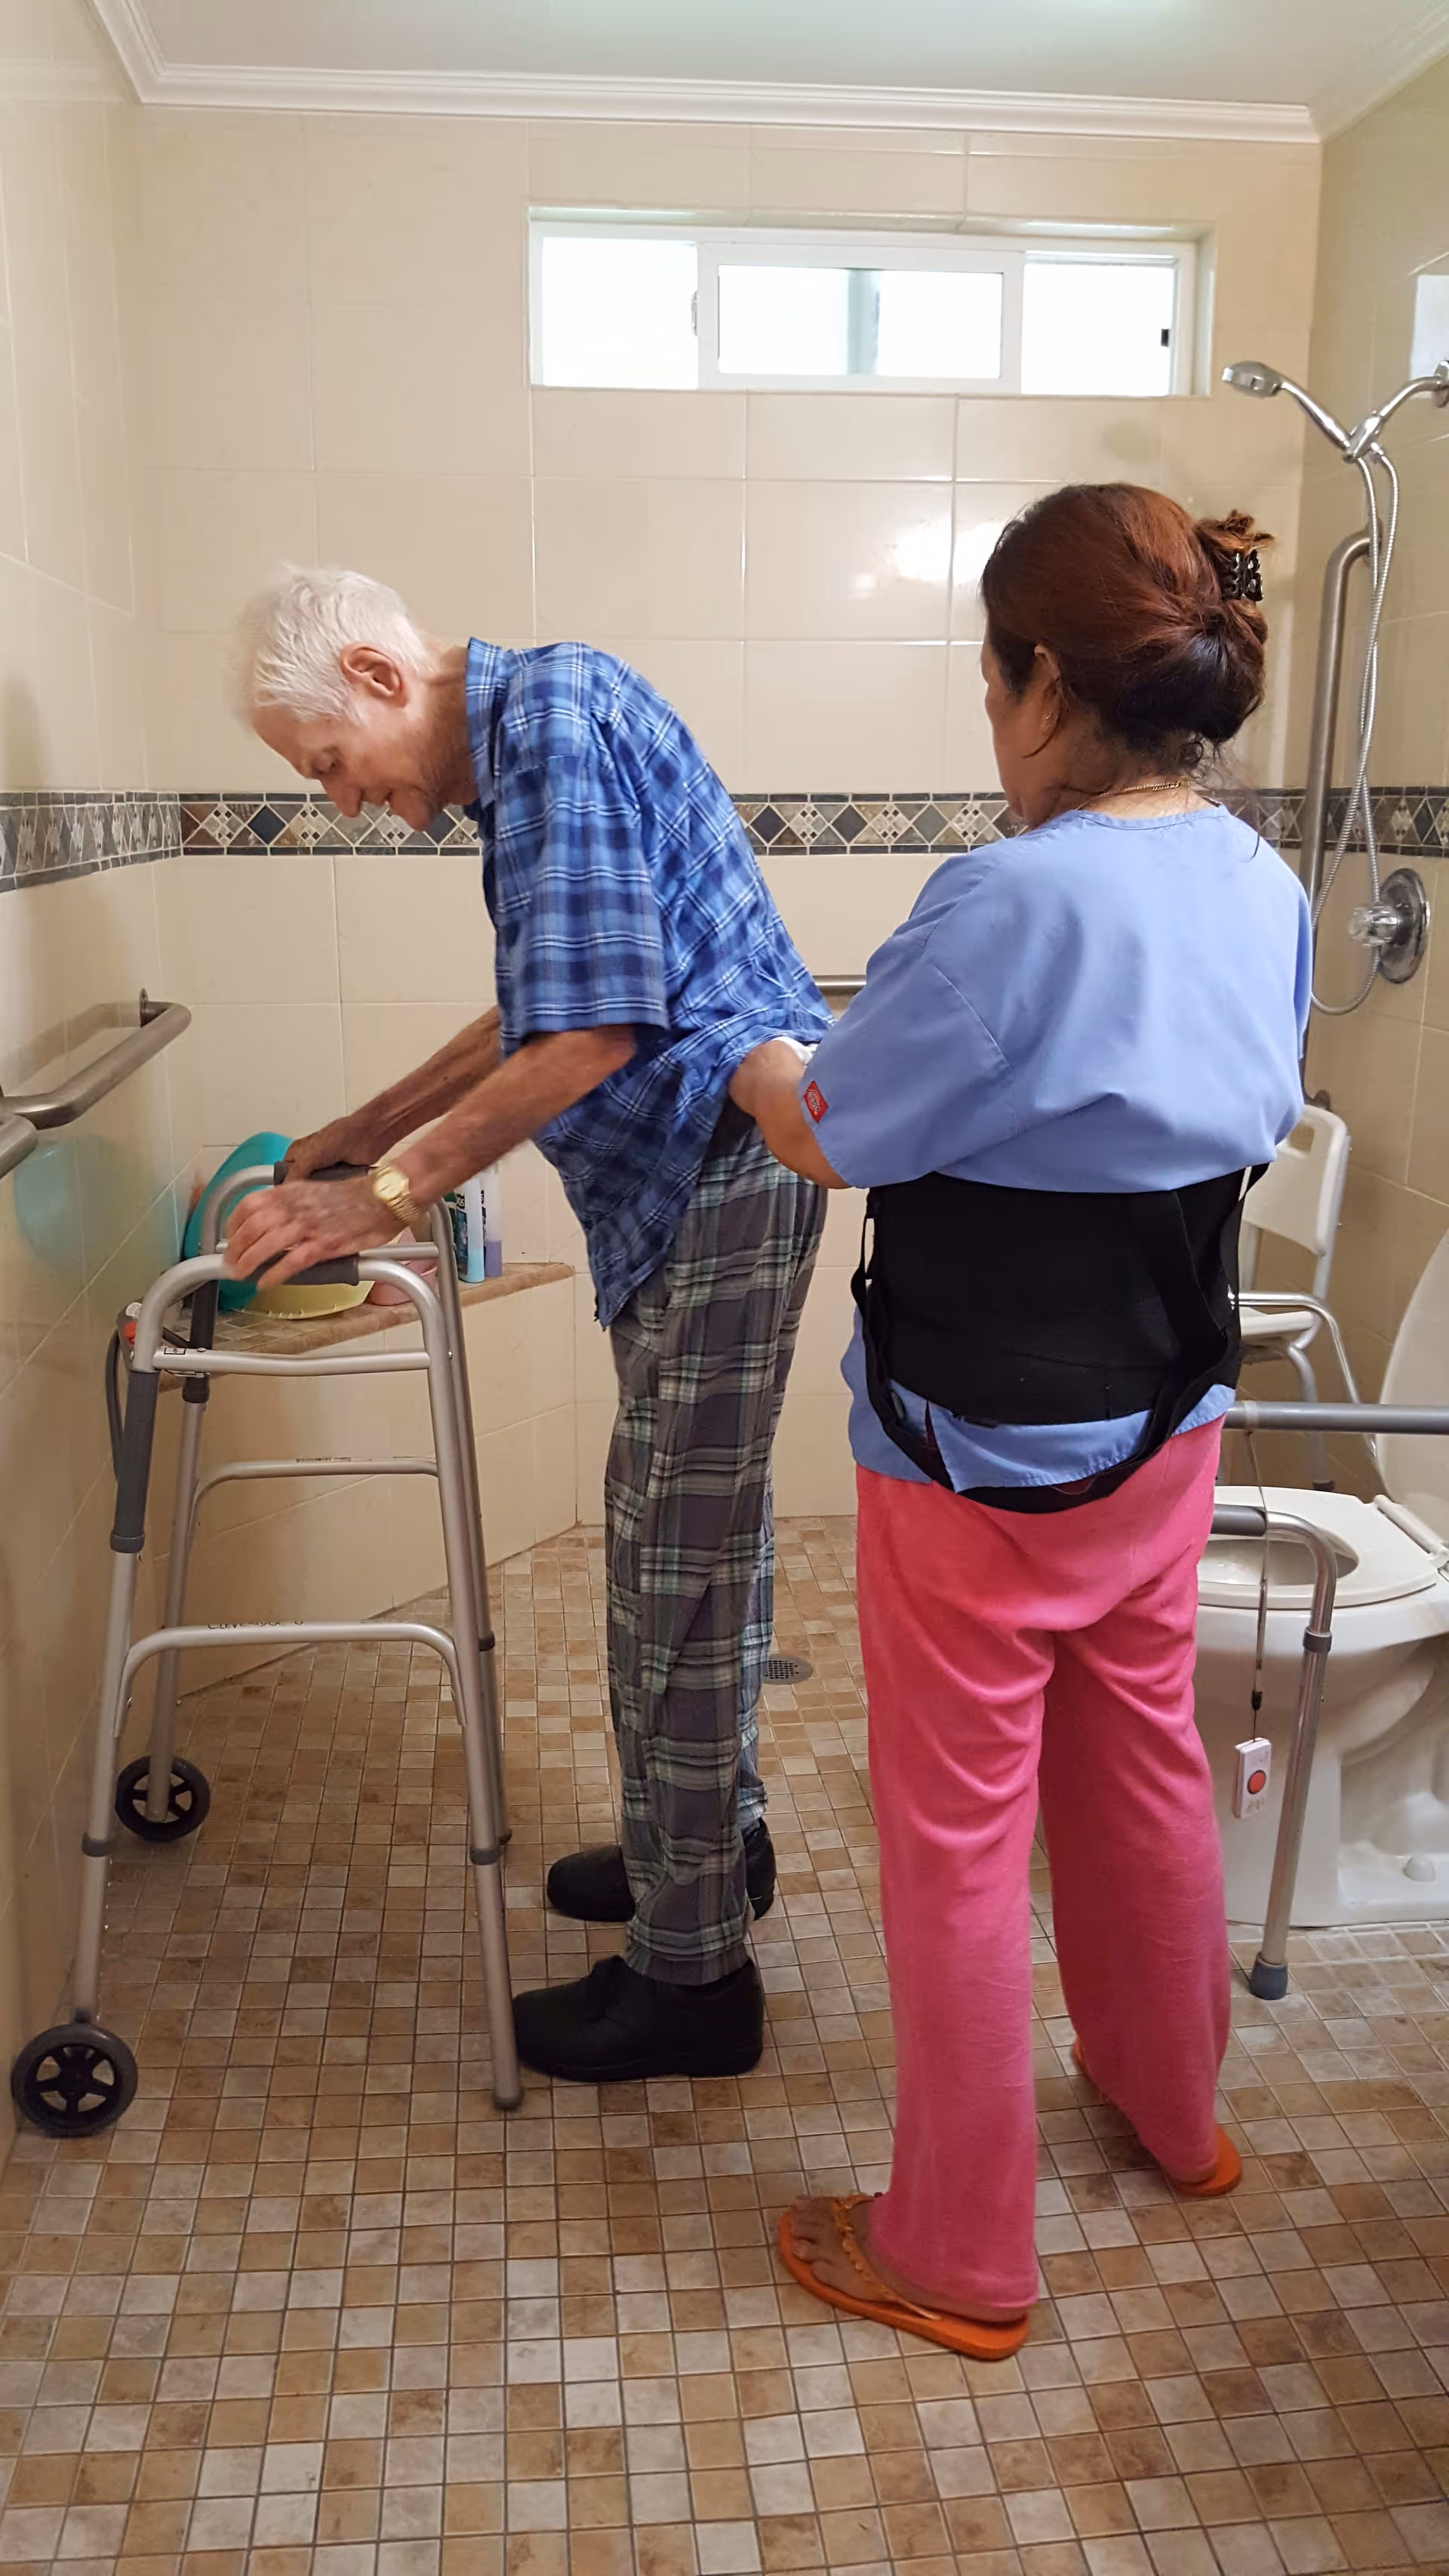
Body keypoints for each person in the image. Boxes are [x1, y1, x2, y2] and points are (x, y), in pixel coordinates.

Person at [729, 485, 1311, 2357]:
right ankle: (1177, 2107)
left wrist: (754, 1054)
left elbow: (839, 1130)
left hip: (974, 1448)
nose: (990, 721)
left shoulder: (1006, 897)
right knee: (1142, 1756)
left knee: (960, 1834)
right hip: (1167, 1417)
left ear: (1043, 677)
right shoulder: (1266, 883)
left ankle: (962, 2251)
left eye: (991, 681)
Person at [225, 568, 829, 2082]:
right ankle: (708, 1849)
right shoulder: (536, 734)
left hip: (724, 1161)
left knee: (666, 1562)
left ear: (373, 669)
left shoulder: (551, 718)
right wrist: (367, 1124)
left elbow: (598, 1032)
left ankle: (695, 1981)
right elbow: (543, 1006)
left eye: (325, 762)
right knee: (700, 1542)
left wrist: (388, 1194)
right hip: (695, 1178)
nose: (345, 799)